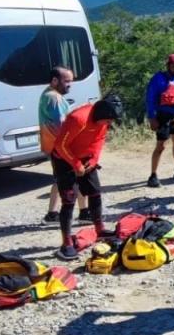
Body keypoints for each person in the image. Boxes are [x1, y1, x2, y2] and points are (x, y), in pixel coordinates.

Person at [51, 95, 124, 259]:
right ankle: (67, 244)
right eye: (108, 120)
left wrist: (94, 159)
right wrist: (75, 164)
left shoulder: (104, 122)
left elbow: (100, 139)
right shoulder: (78, 119)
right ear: (101, 114)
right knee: (69, 200)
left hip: (86, 157)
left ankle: (100, 230)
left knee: (95, 192)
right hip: (64, 159)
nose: (110, 123)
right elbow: (60, 145)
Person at [39, 66, 87, 224]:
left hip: (54, 146)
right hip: (62, 147)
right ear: (55, 80)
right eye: (66, 81)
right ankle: (84, 213)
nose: (70, 85)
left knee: (59, 179)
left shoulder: (48, 94)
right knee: (78, 176)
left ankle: (52, 214)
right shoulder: (54, 98)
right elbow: (61, 125)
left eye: (71, 81)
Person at [145, 53, 174, 188]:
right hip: (163, 116)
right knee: (161, 145)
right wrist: (152, 117)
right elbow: (150, 98)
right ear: (168, 66)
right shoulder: (158, 79)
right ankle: (153, 175)